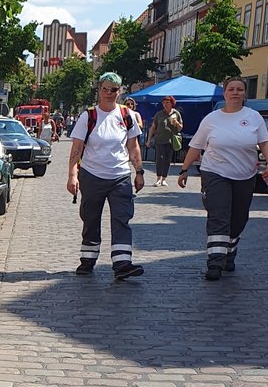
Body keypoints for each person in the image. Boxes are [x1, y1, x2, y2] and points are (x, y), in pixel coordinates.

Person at [176, 76, 268, 280]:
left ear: (244, 93)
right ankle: (215, 262)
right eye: (231, 89)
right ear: (225, 93)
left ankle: (229, 252)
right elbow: (195, 145)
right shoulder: (212, 119)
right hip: (215, 172)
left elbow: (264, 143)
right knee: (219, 215)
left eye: (240, 89)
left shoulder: (254, 117)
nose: (235, 93)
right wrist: (184, 169)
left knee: (239, 217)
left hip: (244, 174)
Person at [67, 71, 146, 280]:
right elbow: (77, 148)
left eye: (113, 89)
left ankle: (122, 264)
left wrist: (139, 172)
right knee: (91, 218)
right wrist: (72, 175)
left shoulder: (126, 115)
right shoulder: (89, 116)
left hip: (120, 176)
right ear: (99, 90)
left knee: (122, 218)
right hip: (92, 176)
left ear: (119, 92)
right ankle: (88, 260)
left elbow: (133, 146)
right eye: (105, 89)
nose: (109, 93)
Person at [146, 95, 183, 186]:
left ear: (172, 103)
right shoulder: (159, 114)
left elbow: (180, 128)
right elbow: (153, 127)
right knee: (160, 159)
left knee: (167, 160)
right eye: (163, 103)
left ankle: (164, 179)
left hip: (171, 141)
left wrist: (177, 123)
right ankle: (158, 178)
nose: (165, 105)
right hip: (159, 140)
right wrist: (149, 140)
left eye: (167, 103)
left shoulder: (176, 113)